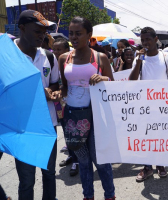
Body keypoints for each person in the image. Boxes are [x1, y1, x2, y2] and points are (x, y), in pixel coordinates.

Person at [57, 16, 115, 200]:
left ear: (89, 35)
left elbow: (114, 86)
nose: (73, 37)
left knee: (100, 160)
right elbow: (65, 86)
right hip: (73, 117)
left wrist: (104, 78)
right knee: (82, 160)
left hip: (97, 116)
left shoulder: (100, 57)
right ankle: (87, 196)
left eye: (78, 33)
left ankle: (109, 195)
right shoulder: (63, 58)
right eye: (71, 33)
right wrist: (59, 95)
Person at [14, 10, 60, 200]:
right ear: (22, 28)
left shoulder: (49, 57)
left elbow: (55, 83)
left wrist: (54, 92)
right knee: (27, 180)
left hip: (48, 125)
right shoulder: (8, 58)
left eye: (44, 31)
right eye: (37, 31)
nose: (42, 35)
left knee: (49, 174)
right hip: (22, 128)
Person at [129, 26, 168, 182]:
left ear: (156, 39)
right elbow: (131, 81)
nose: (145, 43)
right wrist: (139, 61)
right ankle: (147, 167)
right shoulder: (139, 58)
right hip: (144, 106)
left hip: (163, 105)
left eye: (148, 39)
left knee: (161, 135)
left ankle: (161, 164)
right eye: (142, 40)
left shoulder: (166, 57)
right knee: (146, 136)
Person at [52, 38, 79, 177]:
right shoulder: (51, 63)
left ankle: (77, 160)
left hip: (71, 104)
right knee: (65, 132)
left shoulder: (69, 65)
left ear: (66, 51)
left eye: (59, 49)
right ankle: (71, 155)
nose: (55, 52)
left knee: (73, 133)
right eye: (54, 49)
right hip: (58, 105)